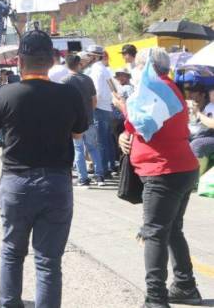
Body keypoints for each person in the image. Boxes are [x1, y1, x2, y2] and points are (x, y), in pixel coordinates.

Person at [0, 30, 88, 308]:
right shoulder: (69, 93)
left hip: (16, 182)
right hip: (56, 183)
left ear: (20, 61)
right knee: (48, 261)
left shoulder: (5, 93)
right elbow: (78, 135)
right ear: (52, 60)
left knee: (12, 252)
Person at [118, 48, 202, 308]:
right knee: (172, 229)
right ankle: (185, 285)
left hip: (162, 171)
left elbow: (141, 125)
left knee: (154, 233)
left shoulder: (151, 89)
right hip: (180, 167)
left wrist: (122, 106)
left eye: (138, 66)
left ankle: (156, 298)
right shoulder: (170, 87)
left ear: (146, 68)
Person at [61, 54, 104, 187]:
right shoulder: (87, 79)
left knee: (78, 149)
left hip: (74, 122)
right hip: (89, 119)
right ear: (79, 64)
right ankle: (99, 176)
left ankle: (83, 178)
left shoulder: (65, 81)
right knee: (93, 148)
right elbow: (94, 100)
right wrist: (89, 113)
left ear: (67, 65)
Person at [85, 45, 118, 175]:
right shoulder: (103, 69)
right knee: (107, 139)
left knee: (101, 141)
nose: (87, 58)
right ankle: (110, 166)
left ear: (94, 56)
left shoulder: (96, 70)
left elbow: (97, 92)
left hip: (99, 108)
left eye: (89, 55)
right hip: (106, 107)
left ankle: (104, 169)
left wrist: (92, 107)